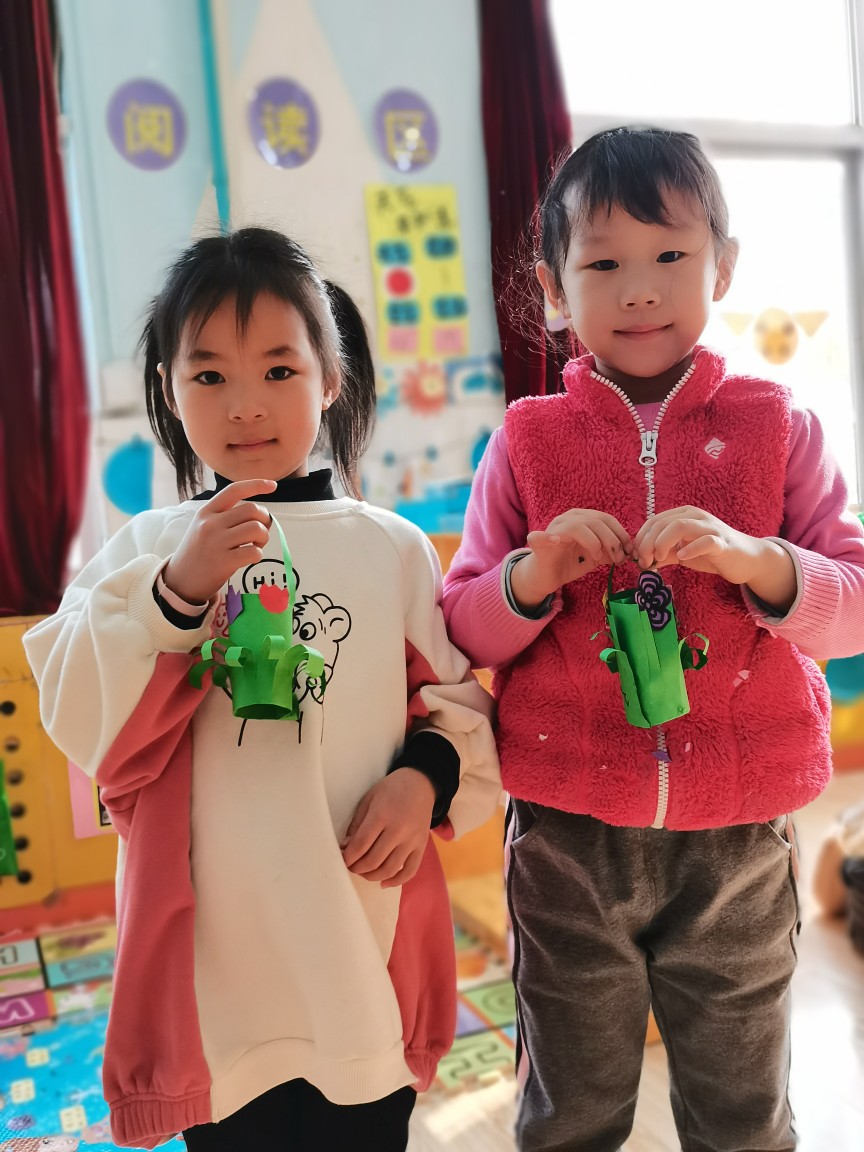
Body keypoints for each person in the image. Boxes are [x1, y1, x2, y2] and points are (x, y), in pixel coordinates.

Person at [25, 228, 500, 1151]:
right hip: (218, 991)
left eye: (279, 369)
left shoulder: (389, 547)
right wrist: (178, 592)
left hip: (356, 961)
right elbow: (81, 716)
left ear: (331, 378)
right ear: (169, 390)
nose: (246, 405)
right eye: (208, 375)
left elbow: (459, 708)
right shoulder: (144, 546)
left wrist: (423, 781)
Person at [442, 127, 864, 1152]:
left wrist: (761, 562)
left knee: (742, 1114)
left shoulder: (780, 428)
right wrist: (532, 575)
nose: (639, 289)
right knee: (571, 1110)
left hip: (741, 827)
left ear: (723, 265)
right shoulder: (526, 441)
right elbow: (462, 623)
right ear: (553, 288)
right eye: (602, 265)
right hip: (566, 827)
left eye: (671, 254)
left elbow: (852, 604)